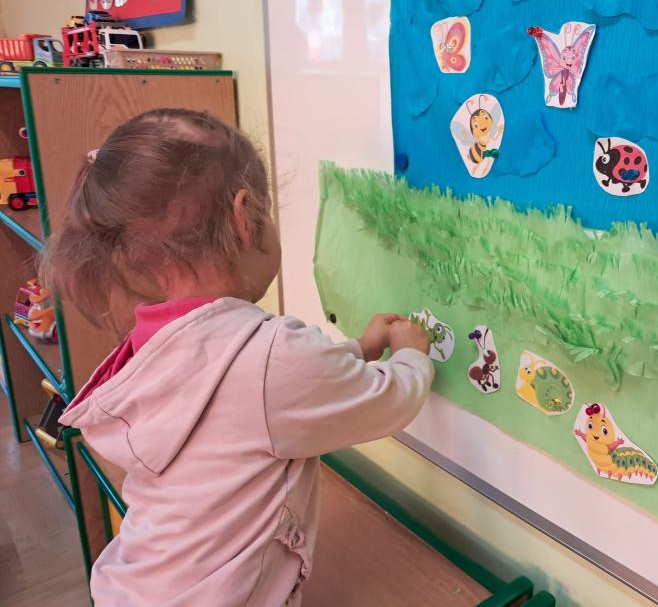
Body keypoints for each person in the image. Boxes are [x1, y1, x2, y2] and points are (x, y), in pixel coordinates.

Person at [42, 108, 434, 606]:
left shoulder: (158, 339)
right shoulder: (267, 358)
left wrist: (358, 348)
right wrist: (410, 357)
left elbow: (264, 390)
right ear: (246, 218)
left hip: (138, 587)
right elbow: (385, 402)